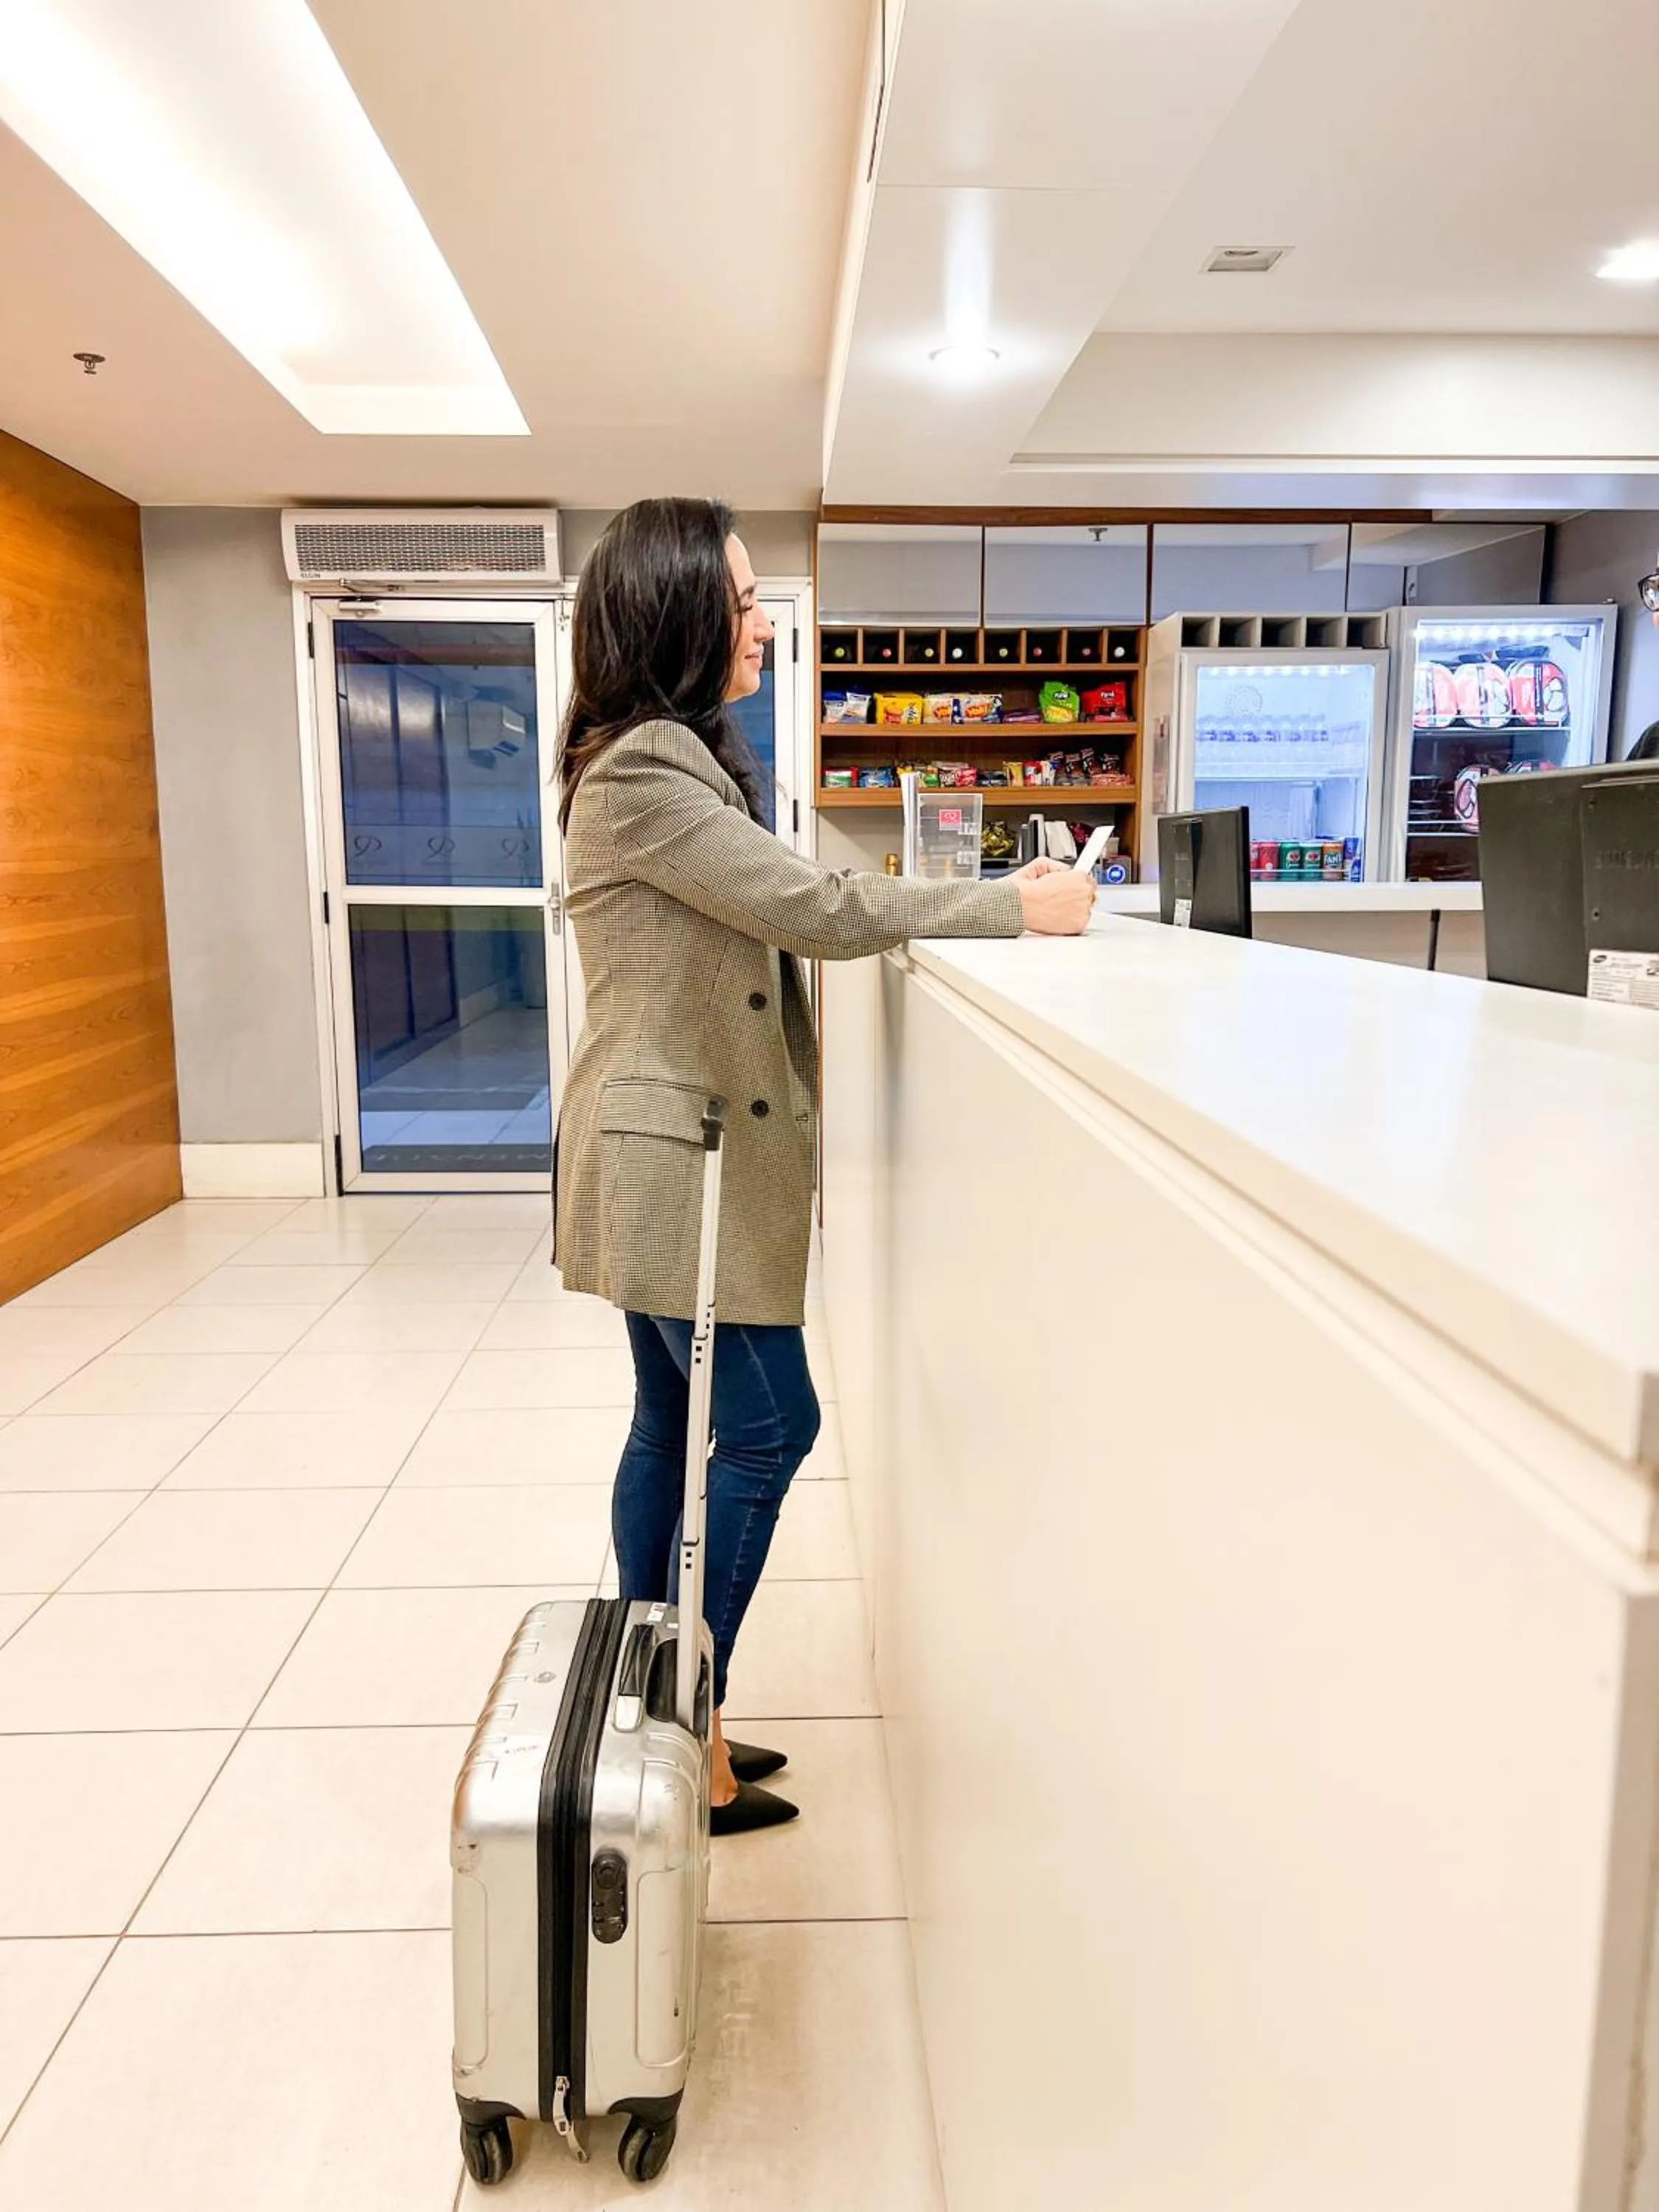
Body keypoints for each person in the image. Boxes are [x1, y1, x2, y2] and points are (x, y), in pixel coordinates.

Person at [553, 498, 1094, 1834]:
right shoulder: (640, 774)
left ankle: (679, 1712)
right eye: (740, 603)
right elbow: (812, 906)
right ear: (677, 615)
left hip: (674, 1145)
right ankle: (686, 1726)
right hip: (672, 1152)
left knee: (674, 1425)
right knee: (766, 1421)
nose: (760, 624)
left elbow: (783, 904)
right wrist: (1010, 907)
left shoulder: (669, 760)